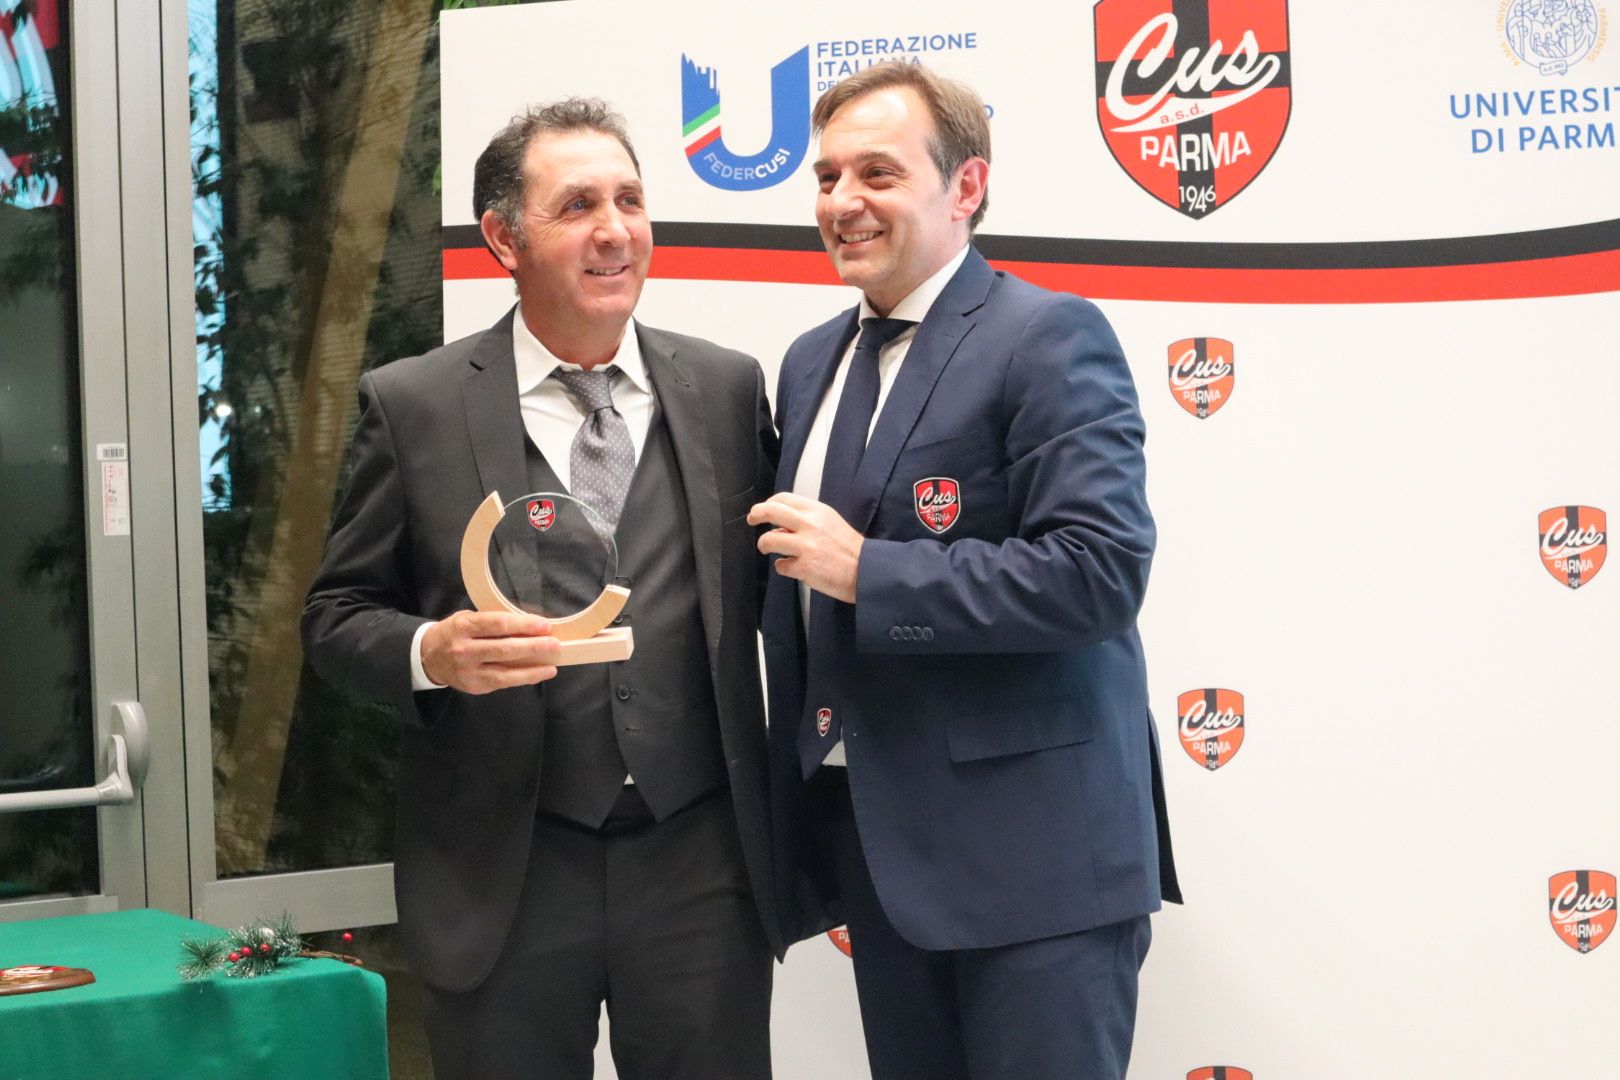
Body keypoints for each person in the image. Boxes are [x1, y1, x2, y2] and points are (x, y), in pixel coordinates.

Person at [303, 98, 779, 1080]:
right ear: (502, 239)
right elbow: (335, 618)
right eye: (577, 206)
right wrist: (429, 653)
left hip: (698, 867)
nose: (615, 230)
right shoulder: (416, 404)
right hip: (504, 875)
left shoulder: (728, 390)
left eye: (630, 200)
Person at [749, 64, 1181, 1080]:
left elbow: (1100, 569)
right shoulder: (809, 362)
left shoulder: (1048, 334)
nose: (842, 202)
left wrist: (871, 573)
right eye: (826, 177)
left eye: (877, 174)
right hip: (883, 864)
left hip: (1038, 872)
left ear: (967, 187)